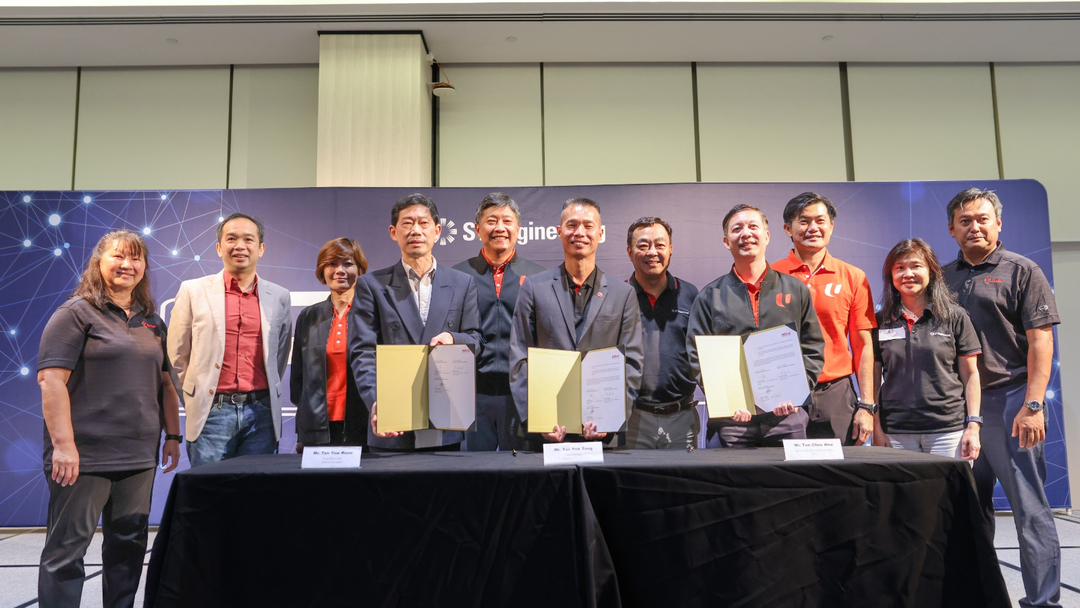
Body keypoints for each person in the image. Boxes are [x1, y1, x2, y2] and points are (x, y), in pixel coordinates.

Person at [37, 229, 181, 608]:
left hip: (138, 459)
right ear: (99, 262)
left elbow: (166, 384)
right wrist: (64, 447)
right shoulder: (75, 314)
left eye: (136, 258)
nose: (127, 265)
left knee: (128, 551)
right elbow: (50, 381)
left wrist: (173, 436)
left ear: (144, 267)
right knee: (66, 553)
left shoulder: (152, 321)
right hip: (83, 458)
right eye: (118, 256)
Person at [943, 187, 1061, 607]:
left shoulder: (1022, 271)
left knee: (1030, 510)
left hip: (1012, 404)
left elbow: (1041, 343)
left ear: (998, 223)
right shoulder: (940, 277)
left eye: (982, 218)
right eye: (965, 221)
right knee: (969, 516)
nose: (974, 226)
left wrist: (1033, 405)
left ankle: (1042, 601)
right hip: (957, 411)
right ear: (952, 229)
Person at [350, 193, 482, 451]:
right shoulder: (372, 285)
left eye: (423, 223)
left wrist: (454, 339)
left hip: (446, 420)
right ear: (393, 232)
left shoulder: (462, 283)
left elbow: (476, 339)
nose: (415, 230)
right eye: (407, 223)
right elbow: (362, 351)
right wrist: (377, 401)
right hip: (393, 419)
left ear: (437, 230)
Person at [686, 204, 824, 448]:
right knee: (733, 485)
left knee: (792, 485)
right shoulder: (710, 296)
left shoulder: (795, 290)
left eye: (753, 226)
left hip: (787, 417)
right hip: (733, 421)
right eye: (737, 229)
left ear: (767, 236)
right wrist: (726, 401)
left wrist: (796, 391)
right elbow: (697, 357)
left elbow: (812, 347)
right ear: (726, 241)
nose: (746, 234)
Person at [509, 197, 644, 443]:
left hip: (601, 432)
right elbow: (520, 356)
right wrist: (535, 418)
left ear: (600, 233)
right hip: (547, 431)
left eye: (588, 226)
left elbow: (632, 363)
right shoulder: (533, 287)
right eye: (572, 225)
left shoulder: (622, 294)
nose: (579, 232)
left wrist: (612, 418)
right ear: (559, 232)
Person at [167, 212, 292, 467]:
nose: (240, 246)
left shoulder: (279, 296)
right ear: (219, 247)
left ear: (261, 248)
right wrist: (195, 399)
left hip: (262, 414)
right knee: (209, 498)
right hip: (211, 413)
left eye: (248, 239)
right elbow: (176, 357)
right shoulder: (193, 291)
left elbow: (278, 356)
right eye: (231, 239)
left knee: (256, 497)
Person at [772, 192, 877, 445]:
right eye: (803, 221)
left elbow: (863, 346)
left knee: (839, 478)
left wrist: (866, 405)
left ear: (831, 226)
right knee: (785, 476)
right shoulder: (769, 276)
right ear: (787, 228)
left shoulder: (853, 276)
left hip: (837, 394)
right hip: (784, 396)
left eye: (820, 221)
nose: (813, 228)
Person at [873, 238, 982, 460]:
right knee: (904, 496)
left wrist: (973, 426)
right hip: (895, 431)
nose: (908, 274)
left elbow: (970, 374)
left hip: (948, 431)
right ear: (890, 276)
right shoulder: (880, 321)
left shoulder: (954, 316)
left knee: (949, 495)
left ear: (931, 271)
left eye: (916, 266)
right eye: (899, 268)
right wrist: (876, 427)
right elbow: (872, 378)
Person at [453, 193, 545, 451]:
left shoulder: (540, 277)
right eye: (491, 221)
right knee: (472, 477)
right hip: (470, 395)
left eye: (507, 221)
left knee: (521, 475)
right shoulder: (458, 276)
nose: (500, 228)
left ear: (518, 228)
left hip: (522, 395)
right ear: (477, 228)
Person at [624, 217, 700, 449]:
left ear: (670, 249)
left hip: (681, 415)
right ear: (630, 252)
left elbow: (703, 353)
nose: (652, 252)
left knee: (683, 484)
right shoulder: (618, 296)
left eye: (660, 245)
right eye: (643, 245)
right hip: (634, 417)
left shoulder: (690, 293)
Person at [291, 238, 369, 451]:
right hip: (317, 429)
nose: (340, 270)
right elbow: (298, 379)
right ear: (322, 270)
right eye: (332, 264)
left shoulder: (371, 314)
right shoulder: (308, 316)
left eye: (348, 263)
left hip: (363, 426)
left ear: (359, 269)